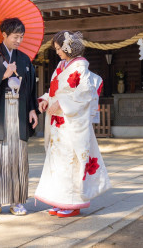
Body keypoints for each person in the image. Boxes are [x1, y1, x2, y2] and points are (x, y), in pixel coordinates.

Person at [35, 31, 111, 218]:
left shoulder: (80, 67)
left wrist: (61, 103)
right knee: (58, 162)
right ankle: (60, 199)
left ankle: (73, 202)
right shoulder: (62, 65)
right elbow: (56, 90)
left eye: (60, 49)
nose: (58, 52)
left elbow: (84, 94)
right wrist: (46, 99)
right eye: (57, 49)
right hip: (59, 122)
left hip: (71, 122)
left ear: (68, 48)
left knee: (71, 161)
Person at [0, 17, 39, 216]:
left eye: (21, 37)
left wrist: (32, 109)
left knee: (16, 156)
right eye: (15, 36)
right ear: (4, 35)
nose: (19, 40)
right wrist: (2, 73)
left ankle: (17, 200)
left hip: (18, 111)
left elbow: (29, 88)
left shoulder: (24, 59)